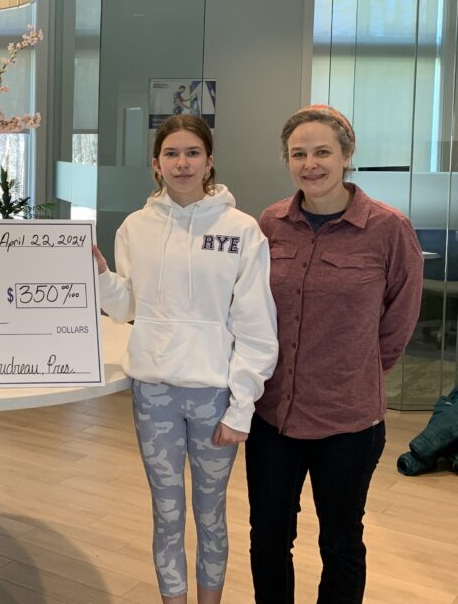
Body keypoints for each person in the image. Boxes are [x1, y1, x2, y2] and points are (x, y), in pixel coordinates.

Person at [93, 115, 279, 604]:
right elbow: (130, 306)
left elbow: (257, 326)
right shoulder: (135, 227)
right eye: (171, 154)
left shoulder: (242, 230)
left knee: (211, 512)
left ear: (210, 160)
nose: (182, 163)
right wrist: (97, 277)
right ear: (156, 164)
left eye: (192, 152)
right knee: (167, 513)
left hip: (215, 396)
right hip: (153, 392)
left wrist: (242, 409)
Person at [247, 105, 423, 604]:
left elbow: (399, 320)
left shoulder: (388, 229)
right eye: (298, 154)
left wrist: (354, 368)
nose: (310, 164)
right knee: (268, 539)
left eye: (322, 151)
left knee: (341, 541)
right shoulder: (271, 223)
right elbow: (252, 310)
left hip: (348, 421)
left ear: (347, 155)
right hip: (273, 414)